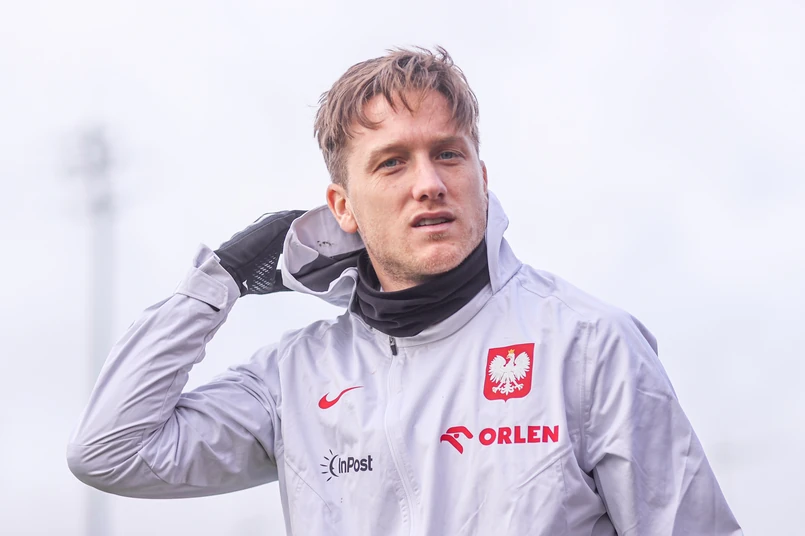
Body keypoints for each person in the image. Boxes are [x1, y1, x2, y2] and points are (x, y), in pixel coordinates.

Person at [68, 46, 742, 535]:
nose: (429, 183)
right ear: (343, 207)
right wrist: (216, 282)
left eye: (447, 153)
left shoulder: (589, 344)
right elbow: (109, 451)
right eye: (392, 163)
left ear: (482, 175)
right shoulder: (295, 377)